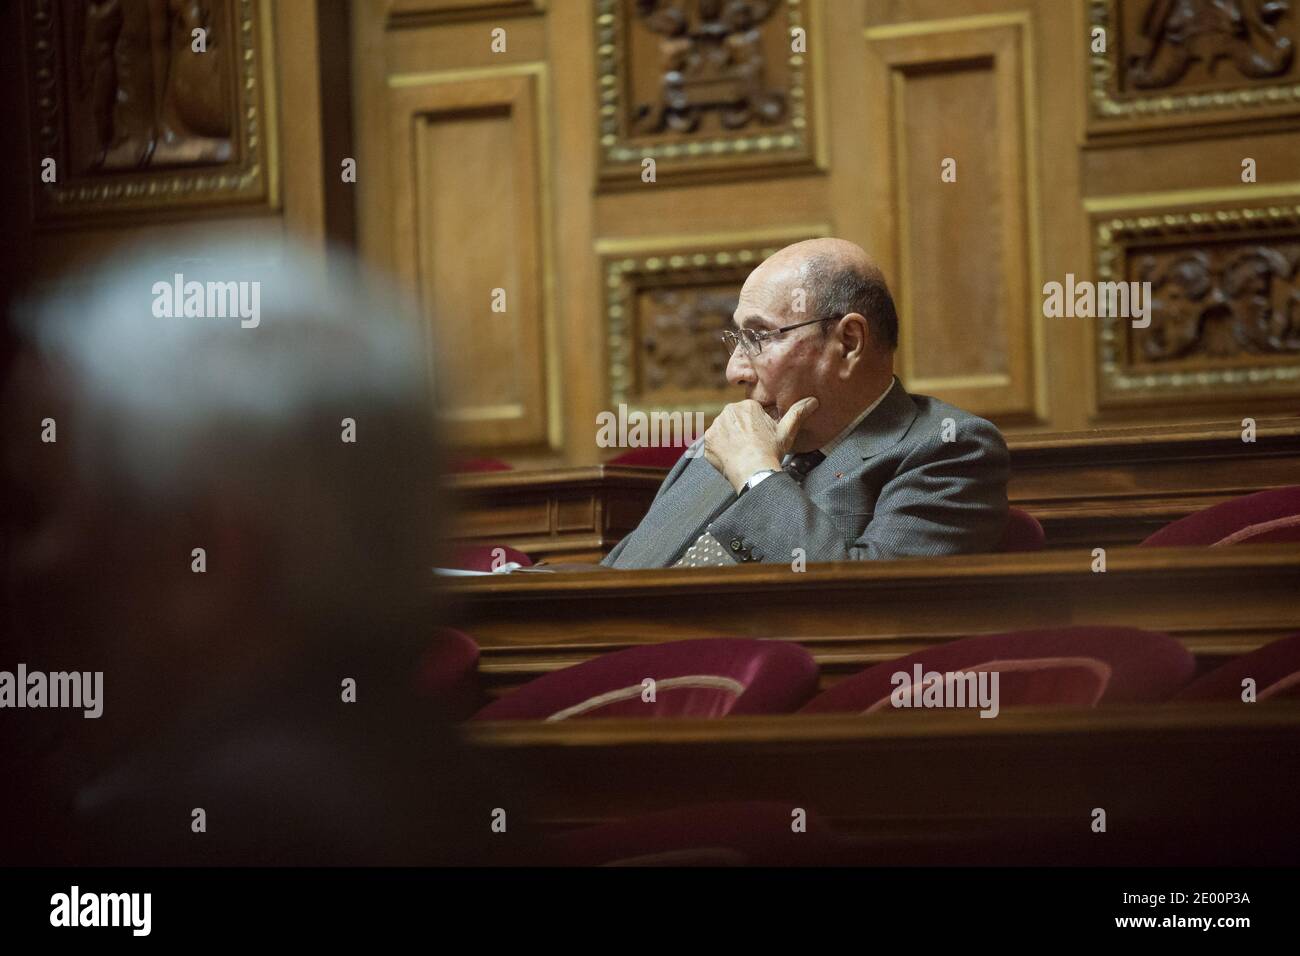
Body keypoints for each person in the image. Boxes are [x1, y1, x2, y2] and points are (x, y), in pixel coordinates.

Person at [1, 236, 525, 864]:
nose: (31, 563)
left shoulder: (204, 834)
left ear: (207, 555)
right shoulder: (435, 771)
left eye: (40, 509)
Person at [603, 238, 1009, 569]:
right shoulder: (714, 453)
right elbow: (614, 583)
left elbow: (864, 607)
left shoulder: (949, 450)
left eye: (758, 337)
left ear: (848, 343)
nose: (735, 371)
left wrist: (757, 475)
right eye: (737, 340)